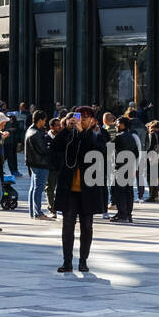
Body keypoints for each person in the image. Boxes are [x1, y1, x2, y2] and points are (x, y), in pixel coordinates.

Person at [54, 108, 103, 273]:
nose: (81, 120)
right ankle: (67, 261)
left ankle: (83, 261)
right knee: (67, 226)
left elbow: (96, 152)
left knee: (86, 226)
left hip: (88, 190)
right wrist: (66, 129)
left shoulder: (98, 136)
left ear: (93, 121)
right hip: (69, 189)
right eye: (79, 117)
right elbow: (54, 148)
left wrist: (82, 132)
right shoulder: (69, 135)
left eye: (85, 118)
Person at [24, 110, 52, 220]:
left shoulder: (31, 131)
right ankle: (38, 212)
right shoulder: (35, 133)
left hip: (35, 163)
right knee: (38, 188)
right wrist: (50, 146)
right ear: (40, 120)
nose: (45, 123)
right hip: (40, 163)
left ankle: (34, 212)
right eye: (44, 121)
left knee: (34, 188)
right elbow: (43, 149)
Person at [110, 117, 138, 223]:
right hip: (130, 167)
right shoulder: (131, 137)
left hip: (121, 167)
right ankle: (128, 214)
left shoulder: (118, 137)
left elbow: (108, 149)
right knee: (128, 191)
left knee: (119, 192)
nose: (116, 125)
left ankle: (122, 214)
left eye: (117, 123)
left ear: (123, 125)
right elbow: (136, 153)